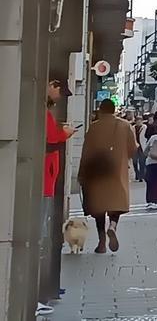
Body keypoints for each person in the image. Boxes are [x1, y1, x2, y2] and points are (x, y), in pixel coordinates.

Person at [78, 98, 137, 254]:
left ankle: (101, 241)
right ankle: (113, 225)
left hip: (96, 173)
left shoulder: (94, 128)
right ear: (114, 110)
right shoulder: (125, 126)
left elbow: (86, 152)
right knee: (115, 202)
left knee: (99, 207)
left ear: (101, 110)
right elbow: (133, 149)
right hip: (117, 171)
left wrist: (81, 174)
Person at [40, 79, 76, 315]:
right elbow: (50, 140)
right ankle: (41, 292)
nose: (59, 96)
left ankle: (45, 290)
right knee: (41, 233)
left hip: (48, 179)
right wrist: (65, 134)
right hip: (44, 180)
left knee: (44, 232)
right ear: (52, 85)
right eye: (60, 91)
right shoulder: (42, 112)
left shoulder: (45, 112)